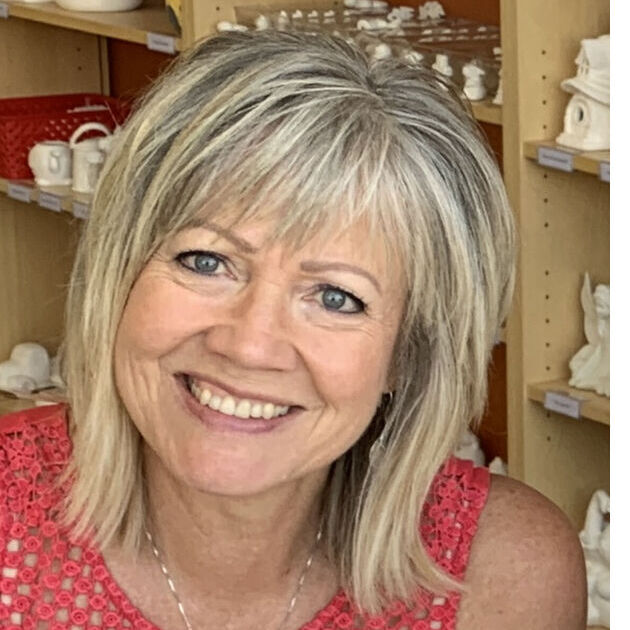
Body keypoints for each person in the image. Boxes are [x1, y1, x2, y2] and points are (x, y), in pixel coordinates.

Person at [0, 30, 586, 630]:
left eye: (336, 298)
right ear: (119, 272)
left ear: (408, 355)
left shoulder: (505, 576)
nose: (249, 345)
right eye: (207, 261)